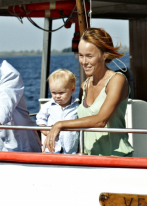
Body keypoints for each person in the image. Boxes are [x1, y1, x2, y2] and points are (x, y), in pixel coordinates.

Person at [43, 28, 134, 157]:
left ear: (105, 55)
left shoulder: (117, 80)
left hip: (116, 157)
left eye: (89, 56)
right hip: (88, 158)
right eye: (81, 55)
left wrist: (60, 125)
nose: (84, 62)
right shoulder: (84, 86)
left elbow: (100, 121)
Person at [36, 69, 79, 154]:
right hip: (51, 149)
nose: (57, 96)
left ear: (72, 90)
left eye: (61, 93)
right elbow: (40, 120)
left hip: (70, 150)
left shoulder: (77, 107)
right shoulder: (47, 106)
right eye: (53, 93)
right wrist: (48, 132)